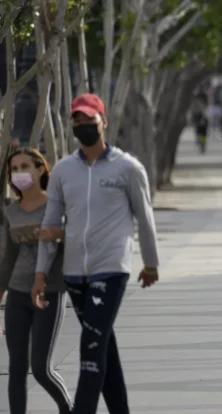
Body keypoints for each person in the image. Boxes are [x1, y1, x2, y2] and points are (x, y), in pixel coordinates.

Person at [34, 93, 160, 414]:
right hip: (75, 272)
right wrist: (40, 273)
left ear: (104, 121)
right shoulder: (63, 171)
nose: (83, 124)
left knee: (90, 349)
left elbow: (145, 218)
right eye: (77, 119)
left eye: (90, 118)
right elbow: (50, 225)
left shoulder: (128, 168)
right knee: (104, 346)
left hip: (111, 268)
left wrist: (151, 263)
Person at [1, 148, 71, 414]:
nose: (18, 173)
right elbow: (9, 259)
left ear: (40, 169)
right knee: (16, 367)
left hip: (49, 293)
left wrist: (60, 235)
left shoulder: (57, 205)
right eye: (13, 169)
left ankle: (69, 408)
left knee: (41, 368)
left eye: (24, 166)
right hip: (18, 295)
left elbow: (75, 244)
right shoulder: (11, 213)